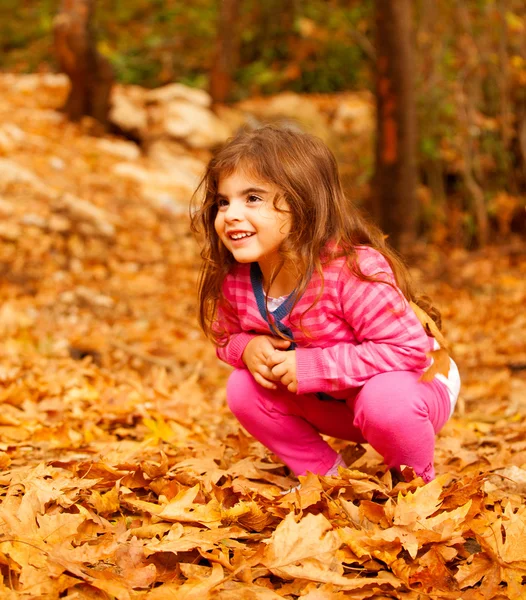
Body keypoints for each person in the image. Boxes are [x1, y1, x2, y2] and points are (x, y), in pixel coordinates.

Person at [191, 125, 460, 484]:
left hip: (413, 389)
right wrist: (247, 347)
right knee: (243, 388)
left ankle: (416, 482)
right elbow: (225, 337)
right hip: (336, 403)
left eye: (252, 198)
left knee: (385, 400)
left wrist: (313, 365)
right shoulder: (238, 278)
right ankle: (327, 479)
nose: (231, 214)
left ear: (302, 204)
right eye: (224, 201)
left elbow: (407, 350)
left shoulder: (352, 269)